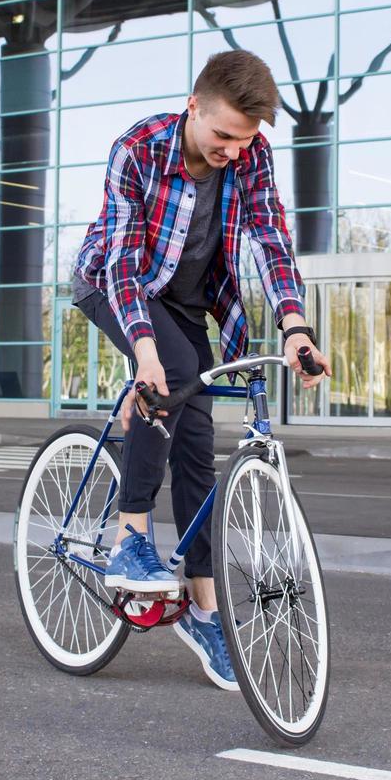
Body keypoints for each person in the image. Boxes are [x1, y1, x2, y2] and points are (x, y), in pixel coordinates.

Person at [70, 50, 331, 690]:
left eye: (245, 141)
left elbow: (270, 241)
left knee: (196, 446)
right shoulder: (138, 149)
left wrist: (295, 327)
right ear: (194, 107)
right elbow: (125, 265)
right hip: (113, 284)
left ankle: (204, 611)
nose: (234, 152)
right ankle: (131, 535)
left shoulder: (252, 155)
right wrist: (146, 356)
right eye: (223, 137)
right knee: (176, 371)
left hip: (188, 303)